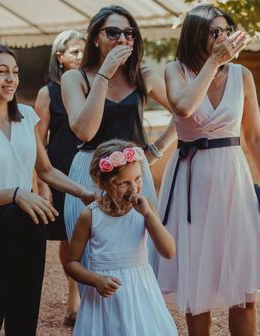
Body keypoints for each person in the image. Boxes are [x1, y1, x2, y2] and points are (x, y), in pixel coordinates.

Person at [0, 44, 96, 336]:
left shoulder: (27, 117)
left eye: (14, 72)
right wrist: (15, 194)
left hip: (30, 227)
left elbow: (47, 170)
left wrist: (84, 192)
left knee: (24, 321)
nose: (11, 79)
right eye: (1, 72)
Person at [156, 4, 260, 336]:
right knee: (196, 290)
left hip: (232, 179)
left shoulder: (243, 76)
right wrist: (213, 62)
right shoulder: (175, 71)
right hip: (190, 180)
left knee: (243, 289)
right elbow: (183, 107)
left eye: (227, 31)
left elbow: (255, 136)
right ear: (196, 35)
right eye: (215, 32)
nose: (223, 38)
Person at [61, 5, 175, 244]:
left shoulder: (143, 76)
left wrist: (156, 149)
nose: (122, 39)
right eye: (113, 32)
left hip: (134, 174)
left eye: (129, 33)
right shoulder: (75, 78)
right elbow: (85, 130)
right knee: (92, 257)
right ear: (95, 39)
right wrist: (104, 75)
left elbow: (185, 113)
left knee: (140, 252)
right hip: (89, 172)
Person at [65, 139, 177, 336]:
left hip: (141, 295)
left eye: (138, 179)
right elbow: (72, 263)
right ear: (104, 182)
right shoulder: (90, 215)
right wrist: (95, 280)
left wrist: (149, 215)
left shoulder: (145, 209)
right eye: (124, 183)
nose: (133, 188)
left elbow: (168, 251)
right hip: (104, 299)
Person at [34, 30, 85, 326]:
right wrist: (43, 185)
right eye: (74, 52)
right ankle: (73, 296)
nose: (80, 57)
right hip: (62, 172)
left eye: (83, 51)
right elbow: (38, 140)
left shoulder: (96, 87)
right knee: (69, 236)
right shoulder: (48, 93)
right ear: (60, 57)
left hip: (94, 169)